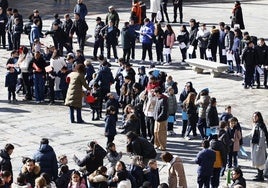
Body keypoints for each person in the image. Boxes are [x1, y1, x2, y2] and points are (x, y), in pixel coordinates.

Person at [251, 111, 268, 181]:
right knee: (256, 161)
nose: (254, 118)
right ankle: (259, 174)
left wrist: (259, 147)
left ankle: (260, 177)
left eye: (256, 116)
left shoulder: (261, 125)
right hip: (255, 145)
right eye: (253, 116)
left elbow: (262, 137)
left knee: (260, 161)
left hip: (259, 146)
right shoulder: (256, 124)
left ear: (259, 117)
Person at [153, 86, 168, 150]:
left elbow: (164, 111)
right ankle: (157, 144)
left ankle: (162, 146)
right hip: (156, 119)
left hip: (161, 120)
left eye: (155, 92)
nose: (154, 94)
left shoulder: (163, 100)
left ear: (158, 93)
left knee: (161, 133)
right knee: (156, 132)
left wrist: (159, 117)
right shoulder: (158, 99)